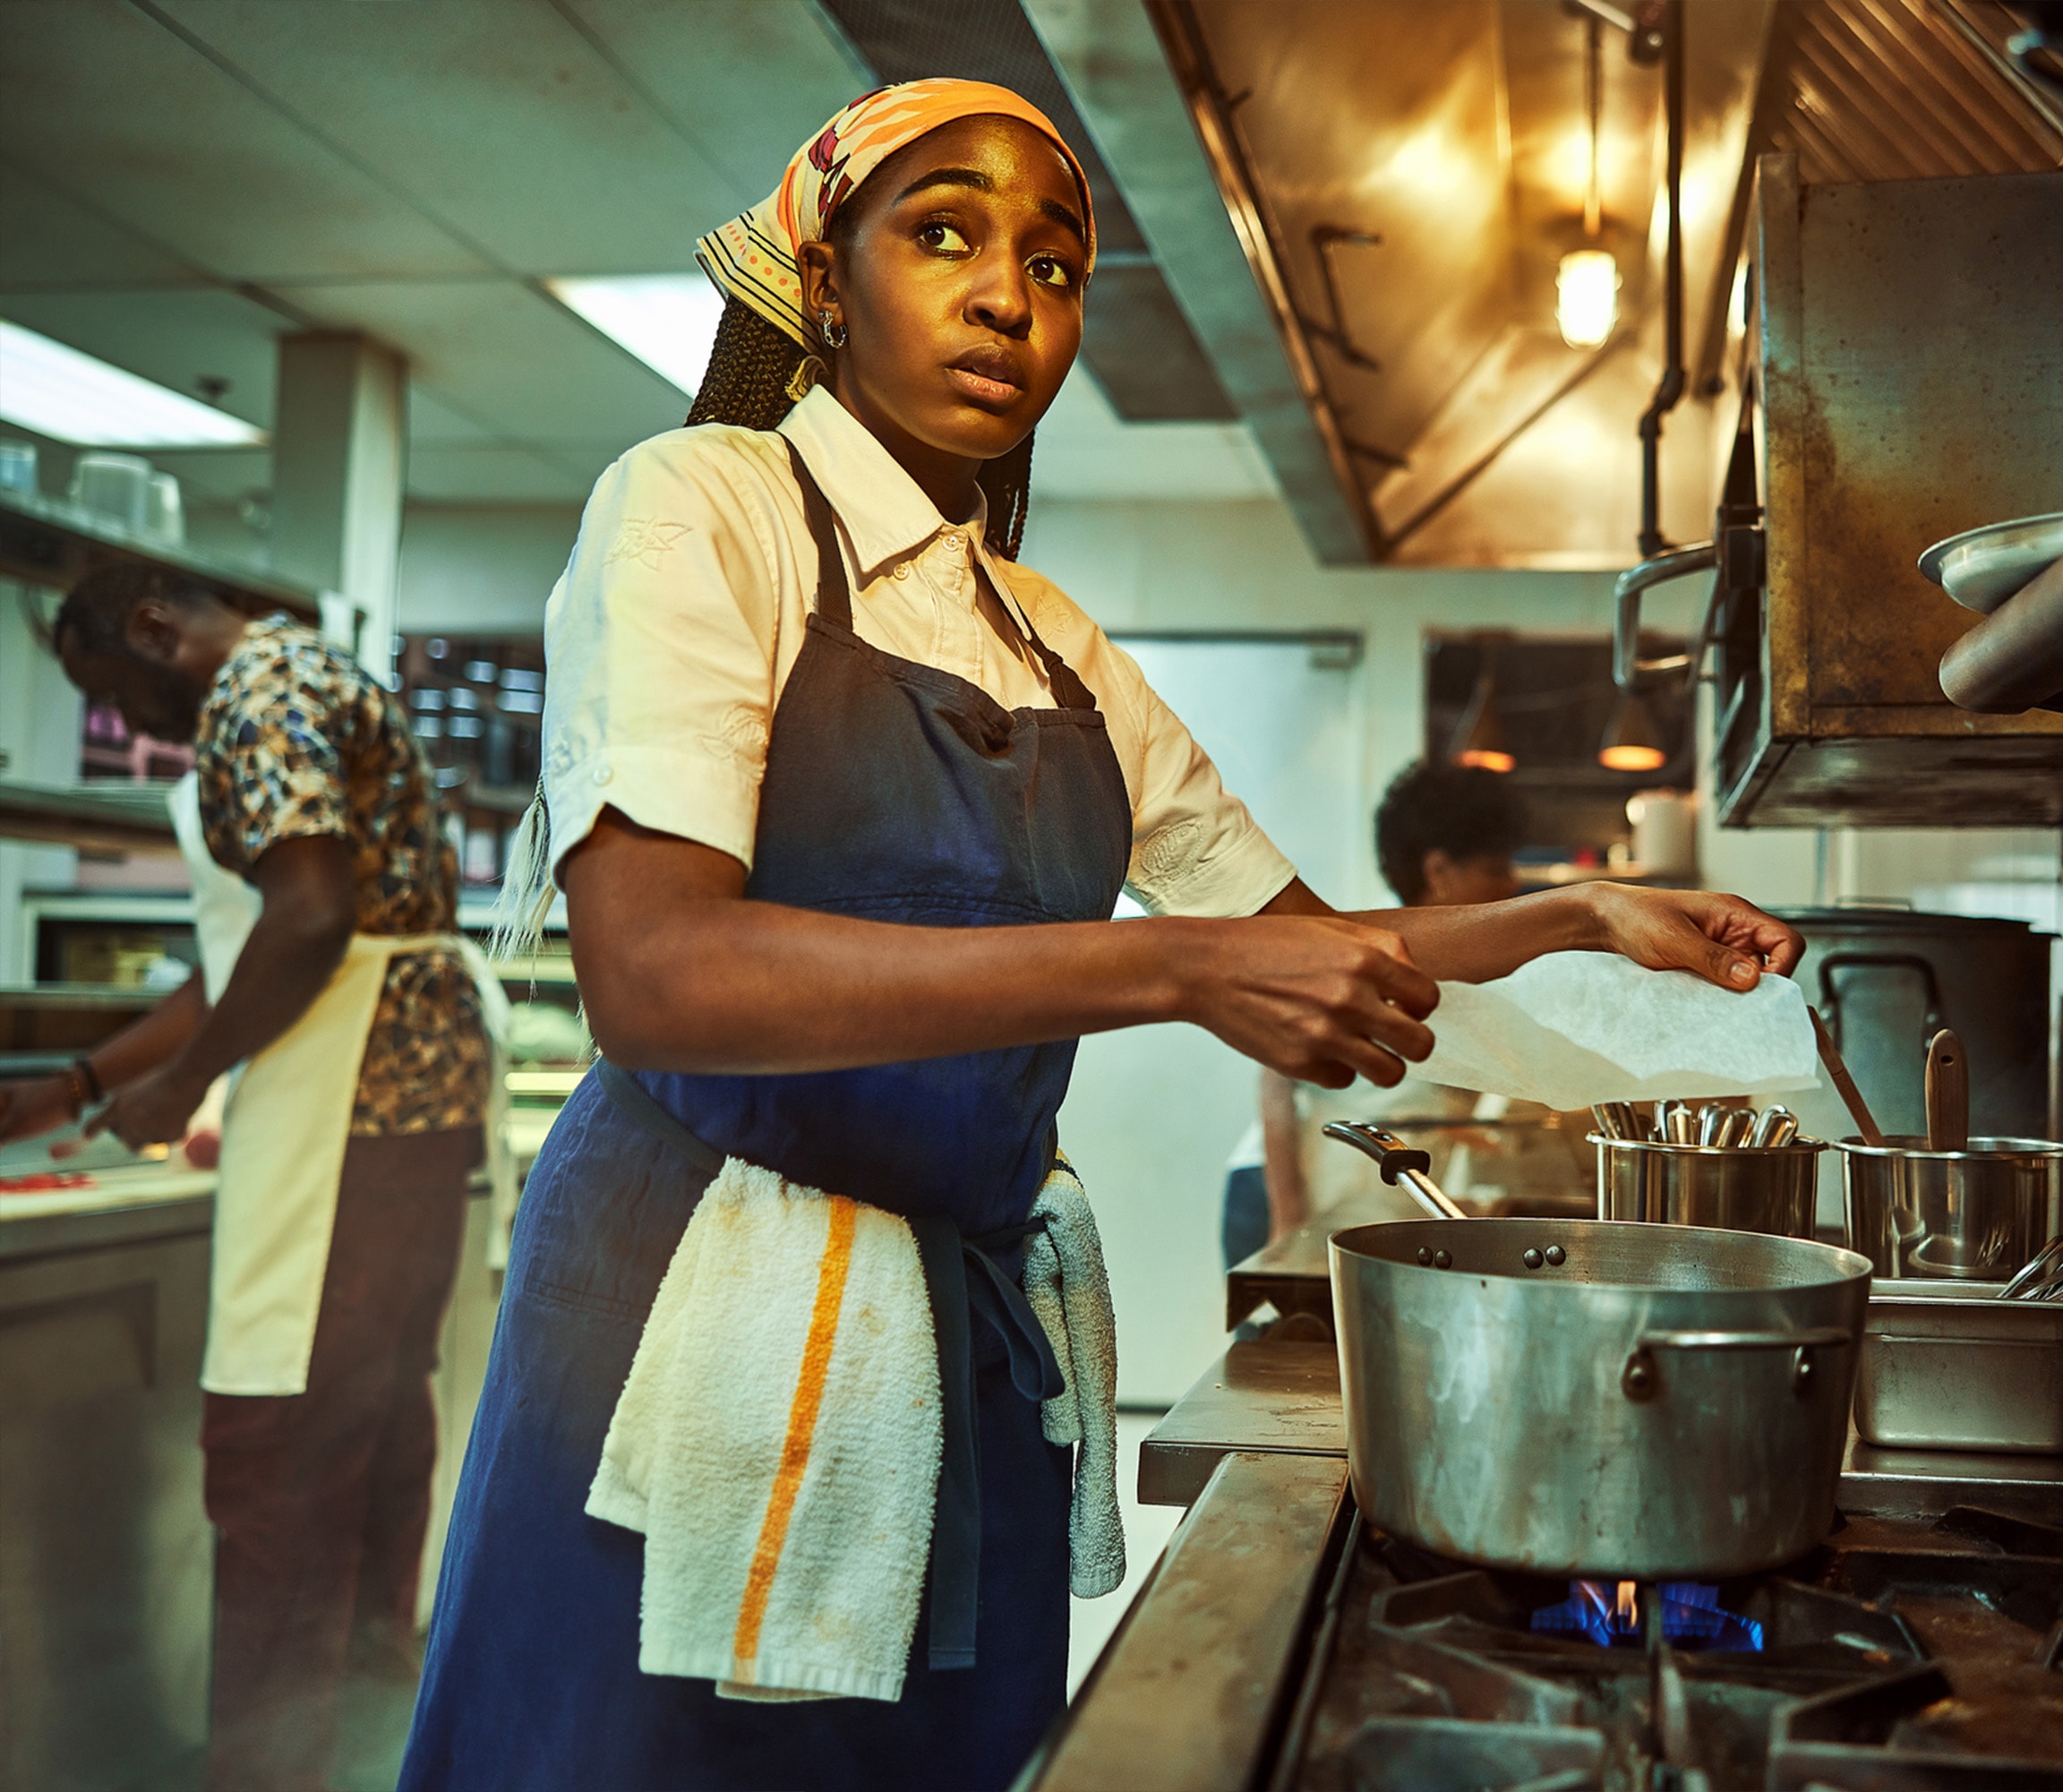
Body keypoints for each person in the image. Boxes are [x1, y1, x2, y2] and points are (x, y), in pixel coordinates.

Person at [398, 80, 1799, 1792]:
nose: (1010, 295)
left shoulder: (1046, 636)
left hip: (950, 1341)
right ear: (823, 281)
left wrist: (1576, 914)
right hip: (688, 1329)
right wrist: (1172, 972)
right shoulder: (703, 507)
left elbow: (1294, 937)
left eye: (1056, 266)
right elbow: (663, 975)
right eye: (945, 236)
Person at [0, 562, 497, 1792]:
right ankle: (374, 1750)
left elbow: (312, 916)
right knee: (374, 1440)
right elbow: (248, 950)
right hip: (406, 1102)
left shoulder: (253, 690)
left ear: (154, 628)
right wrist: (82, 1084)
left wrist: (176, 1094)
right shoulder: (311, 669)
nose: (124, 721)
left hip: (352, 1105)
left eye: (106, 686)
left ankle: (266, 1776)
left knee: (277, 1457)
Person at [1222, 759, 1520, 1268]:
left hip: (1357, 1198)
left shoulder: (1464, 967)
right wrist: (1289, 1218)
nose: (1511, 884)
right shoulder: (1368, 956)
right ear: (1439, 872)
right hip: (1282, 1189)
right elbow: (1275, 1078)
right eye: (1495, 869)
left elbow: (1407, 1085)